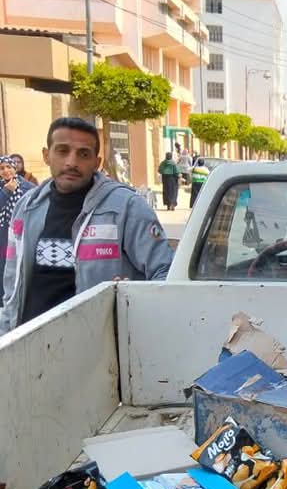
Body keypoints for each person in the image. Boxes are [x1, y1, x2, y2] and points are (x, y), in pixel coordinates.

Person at [0, 117, 173, 334]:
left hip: (96, 346)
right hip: (31, 344)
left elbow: (165, 273)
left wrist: (132, 301)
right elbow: (12, 282)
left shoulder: (127, 207)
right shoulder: (26, 207)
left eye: (83, 154)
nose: (71, 162)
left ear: (97, 162)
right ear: (46, 155)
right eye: (62, 151)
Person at [0, 156, 34, 301]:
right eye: (2, 168)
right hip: (2, 236)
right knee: (3, 267)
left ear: (14, 168)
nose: (6, 171)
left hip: (21, 234)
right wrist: (6, 192)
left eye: (9, 167)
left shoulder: (28, 187)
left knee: (20, 265)